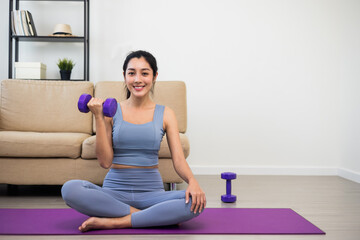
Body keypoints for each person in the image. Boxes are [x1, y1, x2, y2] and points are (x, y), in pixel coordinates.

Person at [61, 50, 206, 232]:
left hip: (152, 193)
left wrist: (193, 182)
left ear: (154, 77)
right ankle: (150, 217)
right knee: (70, 189)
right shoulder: (111, 112)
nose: (138, 79)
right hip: (114, 193)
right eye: (131, 73)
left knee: (195, 201)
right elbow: (105, 162)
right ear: (124, 76)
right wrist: (98, 117)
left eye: (145, 73)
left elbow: (178, 159)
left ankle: (114, 221)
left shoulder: (166, 113)